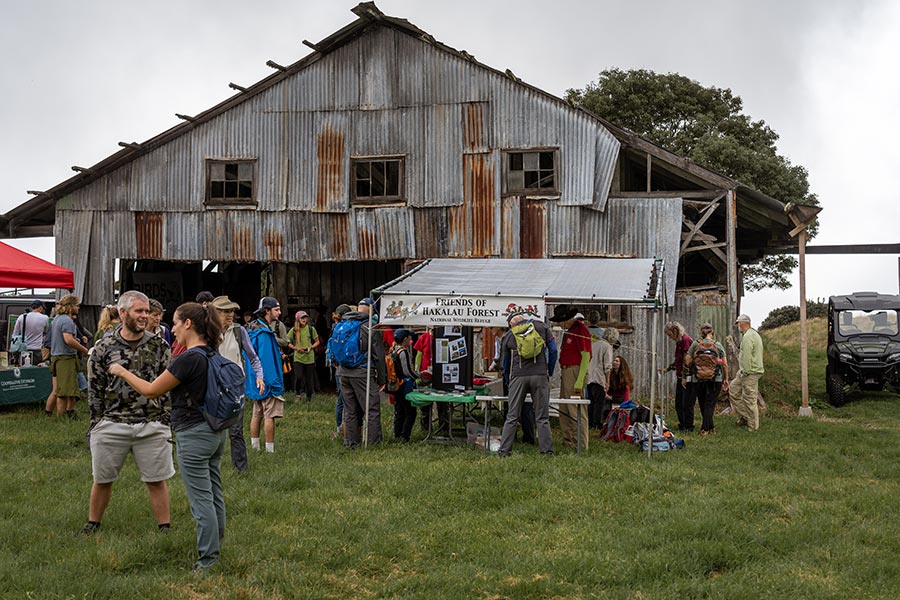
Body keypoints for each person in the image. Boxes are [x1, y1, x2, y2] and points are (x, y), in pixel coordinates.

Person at [109, 302, 229, 573]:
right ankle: (216, 544)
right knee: (214, 492)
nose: (171, 328)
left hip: (193, 434)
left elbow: (152, 390)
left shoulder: (188, 358)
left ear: (188, 324)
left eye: (175, 322)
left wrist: (122, 371)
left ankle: (208, 559)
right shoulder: (211, 353)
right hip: (215, 431)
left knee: (200, 499)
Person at [79, 290, 173, 536]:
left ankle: (165, 528)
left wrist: (164, 420)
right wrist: (96, 424)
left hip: (151, 424)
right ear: (122, 313)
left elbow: (168, 385)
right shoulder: (103, 347)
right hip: (112, 424)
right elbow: (95, 389)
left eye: (146, 312)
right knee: (102, 479)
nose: (144, 316)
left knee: (156, 479)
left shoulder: (158, 345)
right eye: (139, 311)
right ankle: (92, 525)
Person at [211, 295, 264, 472]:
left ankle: (241, 469)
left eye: (232, 311)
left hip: (235, 386)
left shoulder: (239, 331)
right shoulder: (207, 332)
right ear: (214, 313)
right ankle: (210, 467)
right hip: (213, 385)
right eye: (225, 312)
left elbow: (253, 357)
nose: (230, 315)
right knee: (212, 429)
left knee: (236, 430)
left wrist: (259, 375)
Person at [497, 310, 558, 457]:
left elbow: (505, 362)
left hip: (518, 376)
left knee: (512, 415)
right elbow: (554, 350)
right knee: (542, 417)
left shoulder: (509, 335)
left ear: (512, 324)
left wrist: (508, 379)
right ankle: (546, 451)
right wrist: (548, 370)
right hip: (540, 375)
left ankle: (504, 451)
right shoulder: (541, 327)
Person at [330, 298, 386, 448]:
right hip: (362, 372)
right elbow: (379, 356)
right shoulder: (369, 327)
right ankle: (374, 443)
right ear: (371, 310)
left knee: (350, 409)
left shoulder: (342, 323)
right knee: (371, 408)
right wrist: (382, 379)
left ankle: (351, 442)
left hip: (343, 372)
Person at [245, 297, 286, 452]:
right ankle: (270, 450)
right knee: (269, 415)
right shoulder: (264, 333)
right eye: (276, 309)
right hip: (266, 382)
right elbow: (266, 360)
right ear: (266, 311)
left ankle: (255, 447)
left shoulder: (251, 329)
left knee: (256, 414)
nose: (280, 312)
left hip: (254, 379)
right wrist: (274, 384)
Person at [551, 305, 591, 450]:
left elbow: (586, 356)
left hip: (575, 372)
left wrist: (579, 381)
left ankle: (581, 443)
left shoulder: (581, 329)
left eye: (560, 321)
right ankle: (569, 440)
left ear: (567, 319)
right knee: (565, 408)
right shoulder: (570, 331)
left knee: (575, 409)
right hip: (566, 371)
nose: (558, 325)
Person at [683, 322, 728, 435]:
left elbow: (687, 359)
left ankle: (710, 427)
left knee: (703, 403)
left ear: (701, 333)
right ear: (712, 332)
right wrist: (726, 379)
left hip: (698, 378)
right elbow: (724, 364)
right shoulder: (717, 345)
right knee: (710, 403)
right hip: (715, 378)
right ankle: (705, 429)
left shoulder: (695, 344)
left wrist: (695, 368)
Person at [50, 294, 89, 419]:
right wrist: (83, 349)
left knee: (67, 388)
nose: (78, 308)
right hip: (65, 358)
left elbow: (64, 338)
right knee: (65, 391)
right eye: (77, 305)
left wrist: (74, 339)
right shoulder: (67, 320)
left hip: (58, 356)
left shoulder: (57, 318)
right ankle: (62, 417)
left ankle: (69, 413)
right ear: (71, 306)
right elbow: (68, 340)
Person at [729, 314, 764, 432]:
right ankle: (745, 417)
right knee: (733, 390)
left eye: (738, 323)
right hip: (745, 370)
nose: (738, 326)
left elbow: (747, 356)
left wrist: (746, 372)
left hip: (750, 371)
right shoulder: (752, 334)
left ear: (743, 323)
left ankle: (753, 427)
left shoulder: (748, 336)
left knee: (749, 399)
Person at [389, 329, 420, 442]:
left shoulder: (394, 350)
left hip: (396, 385)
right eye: (409, 338)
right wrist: (418, 376)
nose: (411, 340)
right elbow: (407, 371)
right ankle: (405, 435)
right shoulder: (403, 352)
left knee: (399, 410)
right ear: (405, 339)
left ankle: (397, 434)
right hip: (404, 385)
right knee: (410, 412)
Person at [665, 321, 695, 432]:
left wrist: (684, 377)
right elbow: (678, 360)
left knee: (687, 403)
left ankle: (688, 426)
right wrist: (668, 369)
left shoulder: (686, 341)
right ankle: (682, 424)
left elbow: (686, 361)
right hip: (680, 377)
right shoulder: (679, 342)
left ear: (675, 331)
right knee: (679, 403)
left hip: (687, 377)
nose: (670, 337)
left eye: (670, 335)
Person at [586, 320, 614, 429]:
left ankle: (590, 423)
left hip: (590, 376)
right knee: (599, 402)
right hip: (599, 377)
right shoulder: (607, 346)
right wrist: (607, 382)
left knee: (592, 402)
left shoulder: (595, 343)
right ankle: (596, 423)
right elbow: (607, 366)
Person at [287, 310, 319, 402]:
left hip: (309, 357)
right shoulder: (293, 330)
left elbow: (317, 342)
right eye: (302, 318)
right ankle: (297, 393)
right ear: (297, 319)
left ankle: (309, 397)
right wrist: (295, 348)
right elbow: (287, 342)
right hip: (298, 357)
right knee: (299, 376)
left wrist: (310, 347)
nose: (304, 319)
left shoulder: (311, 329)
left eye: (305, 317)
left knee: (309, 379)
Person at [10, 299, 49, 366]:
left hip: (23, 349)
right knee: (36, 371)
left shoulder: (21, 317)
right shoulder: (45, 318)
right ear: (40, 307)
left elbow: (15, 334)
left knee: (24, 372)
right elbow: (46, 332)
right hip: (37, 350)